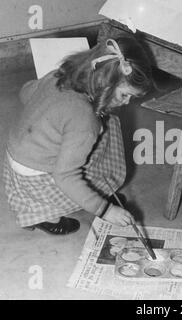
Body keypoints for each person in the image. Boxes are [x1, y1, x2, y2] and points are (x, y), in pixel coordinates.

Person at [3, 33, 153, 235]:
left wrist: (46, 117)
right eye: (125, 94)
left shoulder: (59, 75)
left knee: (107, 128)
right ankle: (46, 215)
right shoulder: (84, 120)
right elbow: (65, 175)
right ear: (104, 82)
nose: (127, 103)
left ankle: (96, 190)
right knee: (101, 135)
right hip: (38, 175)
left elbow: (26, 92)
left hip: (15, 153)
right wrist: (105, 210)